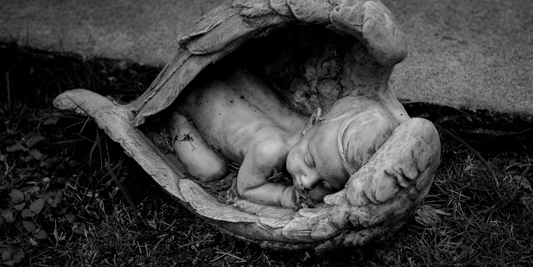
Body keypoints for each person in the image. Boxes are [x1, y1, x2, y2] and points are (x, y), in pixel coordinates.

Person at [165, 69, 400, 209]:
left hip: (229, 81)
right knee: (210, 170)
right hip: (192, 100)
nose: (307, 183)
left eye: (326, 184)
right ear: (312, 122)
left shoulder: (316, 128)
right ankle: (172, 117)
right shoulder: (269, 150)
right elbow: (245, 188)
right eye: (309, 161)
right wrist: (283, 196)